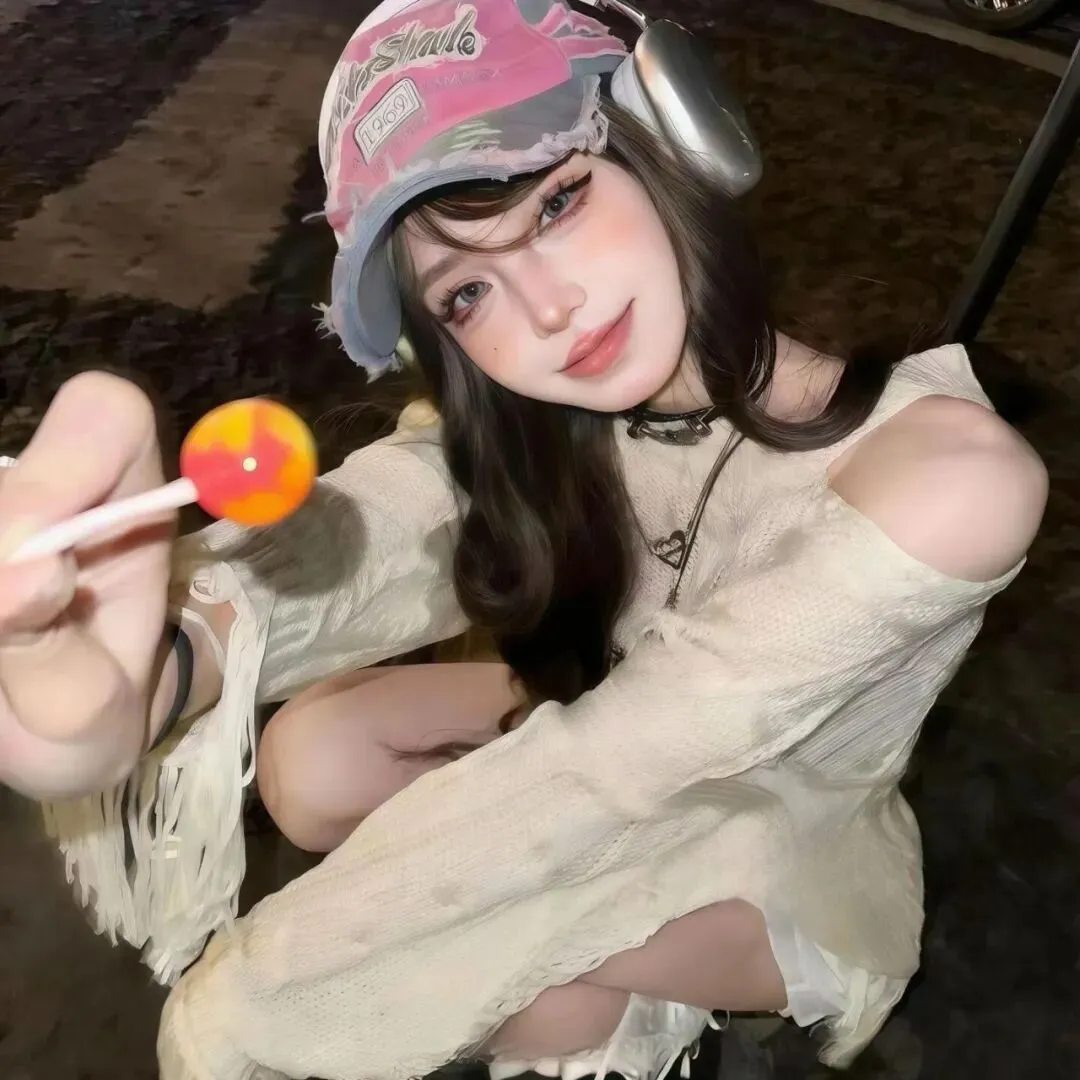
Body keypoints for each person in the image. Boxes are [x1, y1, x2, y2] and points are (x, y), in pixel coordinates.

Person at [0, 0, 1047, 1077]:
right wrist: (158, 652)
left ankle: (624, 1010)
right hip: (609, 720)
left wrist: (247, 999)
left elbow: (612, 766)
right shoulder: (553, 422)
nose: (546, 310)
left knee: (512, 974)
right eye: (466, 292)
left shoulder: (950, 478)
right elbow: (380, 524)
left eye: (557, 202)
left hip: (785, 827)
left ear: (677, 139)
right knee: (309, 764)